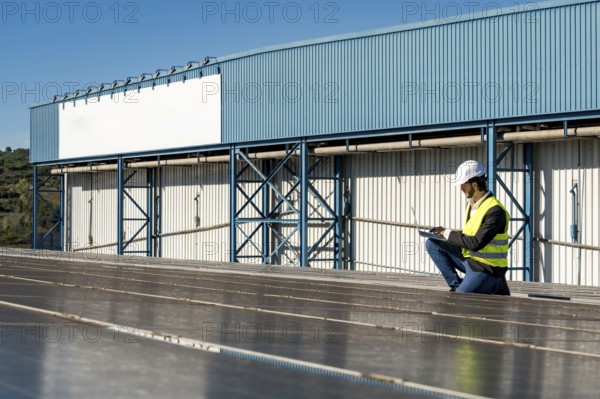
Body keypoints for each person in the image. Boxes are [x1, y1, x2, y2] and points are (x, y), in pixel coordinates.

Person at [426, 160, 511, 295]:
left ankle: (492, 285)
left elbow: (476, 243)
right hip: (470, 260)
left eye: (463, 185)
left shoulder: (495, 211)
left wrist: (447, 232)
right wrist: (443, 233)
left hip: (487, 267)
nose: (461, 189)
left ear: (475, 185)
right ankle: (458, 286)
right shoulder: (472, 205)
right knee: (433, 243)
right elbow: (470, 233)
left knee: (462, 300)